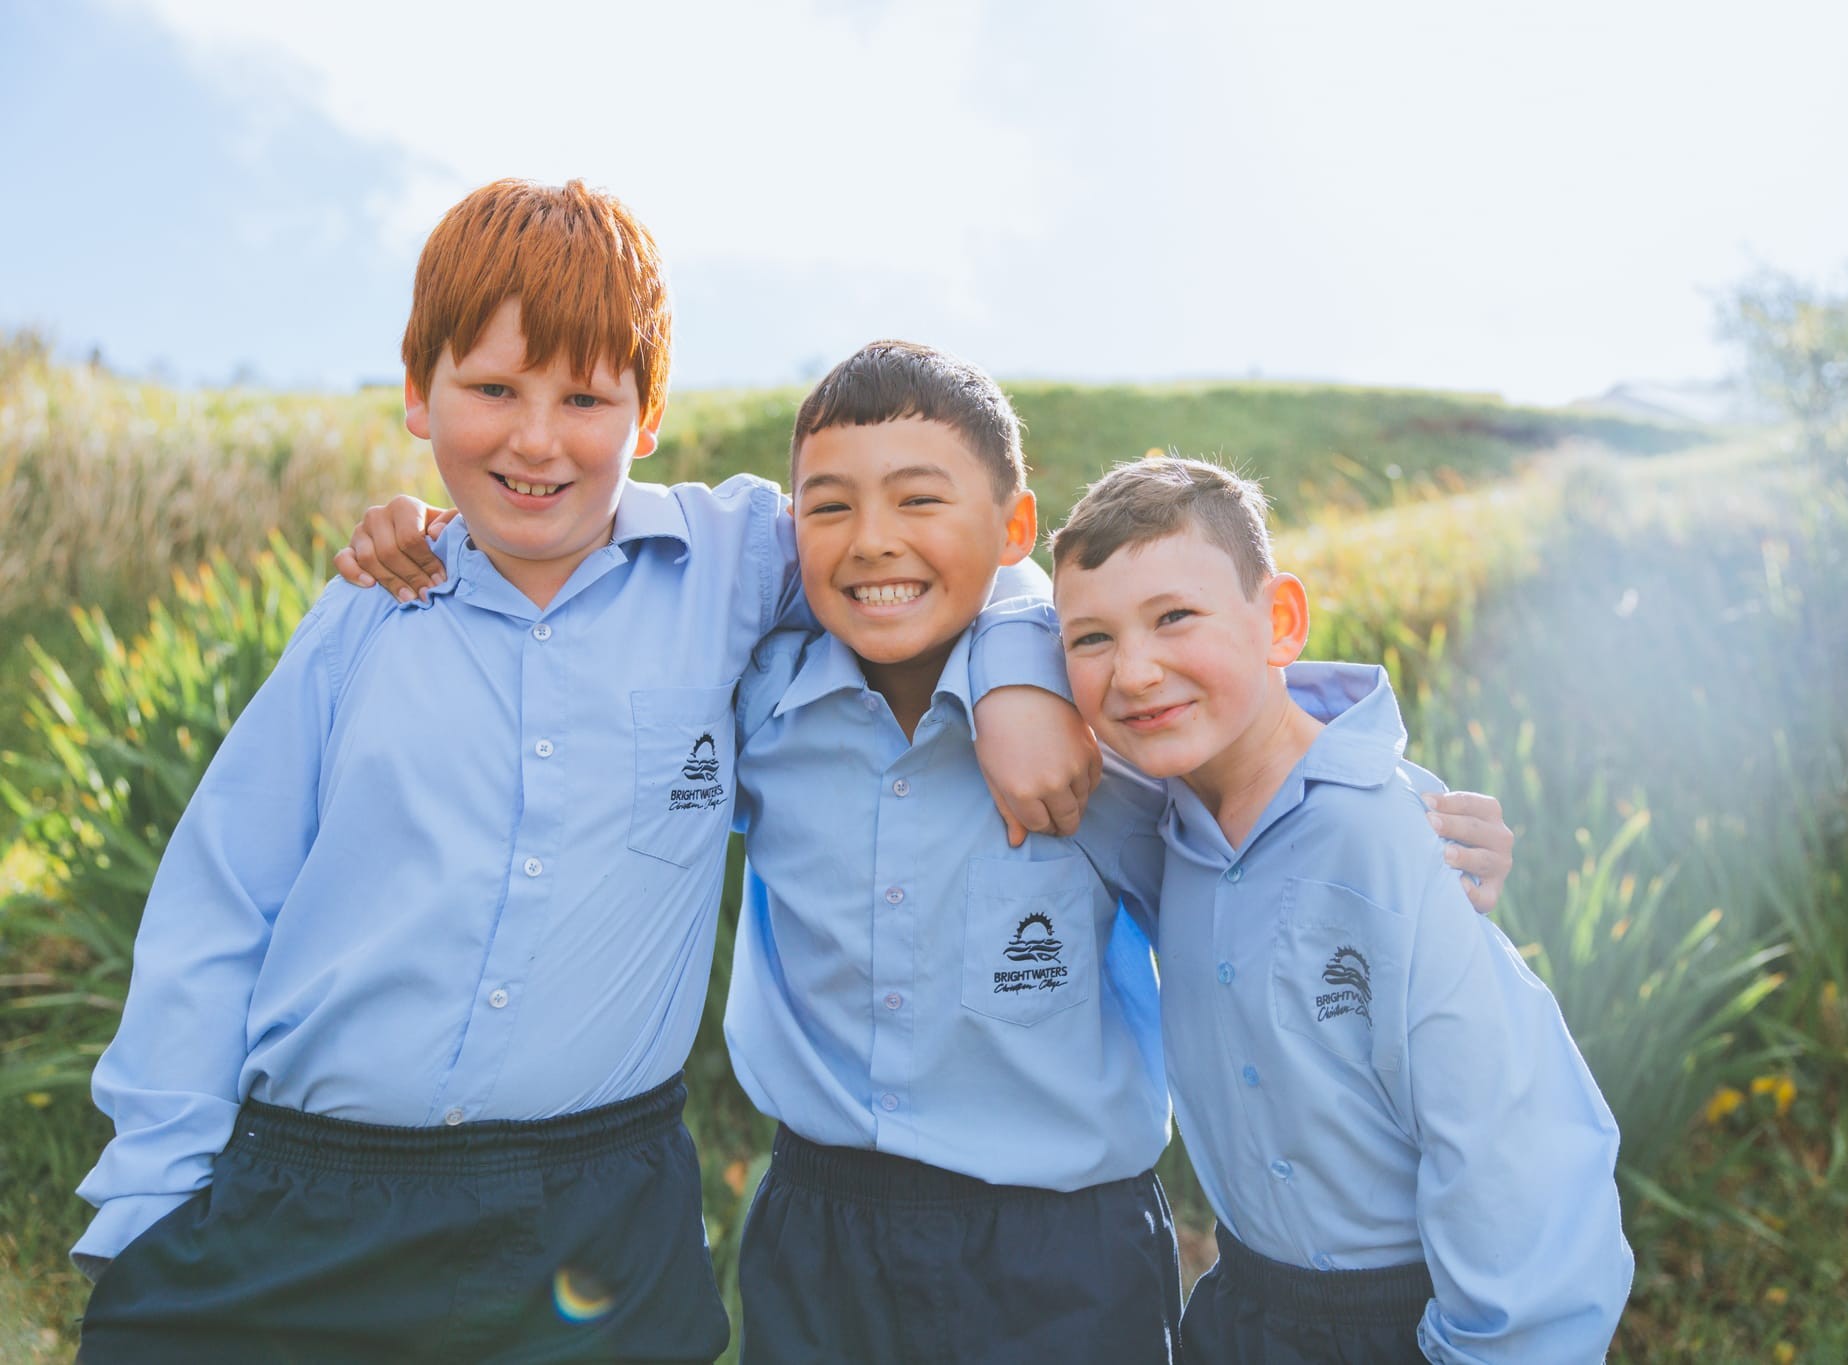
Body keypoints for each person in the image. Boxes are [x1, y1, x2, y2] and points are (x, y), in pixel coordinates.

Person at [69, 180, 1086, 1365]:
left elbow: (944, 541)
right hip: (307, 1194)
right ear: (417, 393)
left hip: (599, 1219)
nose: (536, 439)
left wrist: (1019, 670)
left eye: (585, 398)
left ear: (645, 414)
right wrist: (147, 1202)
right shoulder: (363, 616)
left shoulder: (735, 557)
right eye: (492, 390)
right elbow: (218, 905)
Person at [342, 341, 1519, 1363]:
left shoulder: (1088, 719)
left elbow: (1247, 782)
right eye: (829, 507)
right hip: (818, 1228)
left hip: (1064, 1250)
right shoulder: (757, 713)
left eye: (918, 501)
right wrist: (440, 535)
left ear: (1012, 529)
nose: (872, 544)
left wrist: (1398, 817)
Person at [1051, 455, 1633, 1365]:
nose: (1134, 671)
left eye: (1174, 617)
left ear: (1279, 620)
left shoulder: (1395, 842)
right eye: (1090, 639)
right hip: (1241, 1310)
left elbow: (1511, 1150)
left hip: (1405, 1322)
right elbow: (986, 619)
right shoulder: (1158, 818)